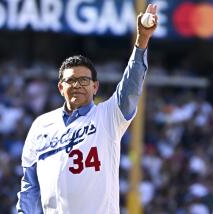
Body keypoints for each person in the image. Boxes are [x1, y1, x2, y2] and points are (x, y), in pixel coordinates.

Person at [16, 4, 158, 213]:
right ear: (60, 87)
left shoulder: (107, 116)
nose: (77, 85)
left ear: (95, 86)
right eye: (71, 80)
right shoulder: (41, 125)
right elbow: (30, 186)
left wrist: (142, 41)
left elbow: (130, 87)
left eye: (84, 80)